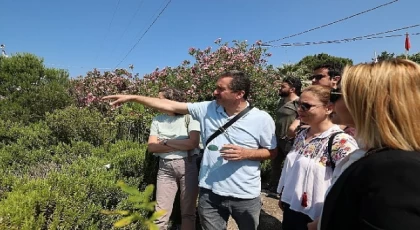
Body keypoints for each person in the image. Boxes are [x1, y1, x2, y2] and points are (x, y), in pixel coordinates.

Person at [103, 70, 277, 230]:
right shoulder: (208, 108)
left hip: (244, 194)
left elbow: (272, 152)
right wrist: (132, 97)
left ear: (239, 94)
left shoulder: (261, 119)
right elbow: (170, 106)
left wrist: (247, 153)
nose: (214, 92)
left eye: (220, 89)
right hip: (210, 192)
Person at [319, 59, 420, 230]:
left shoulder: (396, 170)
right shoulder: (377, 155)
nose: (330, 104)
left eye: (335, 95)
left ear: (366, 102)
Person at [277, 85, 358, 230]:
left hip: (317, 216)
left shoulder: (341, 142)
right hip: (292, 207)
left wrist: (322, 220)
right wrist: (284, 194)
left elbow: (350, 187)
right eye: (298, 105)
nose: (299, 110)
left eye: (306, 106)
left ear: (328, 108)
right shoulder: (302, 134)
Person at [147, 87, 200, 230]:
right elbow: (152, 147)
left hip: (187, 166)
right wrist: (181, 144)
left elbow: (193, 143)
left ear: (171, 101)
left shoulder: (190, 116)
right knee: (160, 213)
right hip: (164, 167)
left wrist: (164, 142)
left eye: (160, 99)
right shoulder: (157, 119)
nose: (157, 103)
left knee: (188, 212)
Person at [268, 76, 301, 193]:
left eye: (283, 86)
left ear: (292, 89)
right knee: (275, 164)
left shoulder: (299, 102)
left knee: (290, 166)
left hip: (290, 140)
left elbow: (303, 118)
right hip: (277, 138)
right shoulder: (282, 101)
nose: (280, 88)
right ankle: (273, 186)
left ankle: (288, 190)